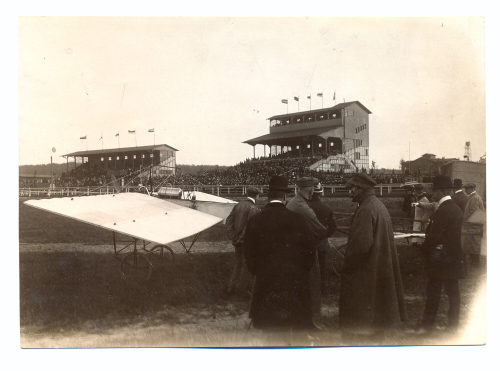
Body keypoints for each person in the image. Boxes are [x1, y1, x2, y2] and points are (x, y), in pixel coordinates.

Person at [340, 173, 407, 341]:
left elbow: (361, 246)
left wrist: (347, 263)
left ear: (360, 189)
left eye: (352, 189)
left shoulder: (365, 209)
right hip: (378, 267)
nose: (350, 193)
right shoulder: (378, 205)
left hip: (366, 271)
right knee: (378, 309)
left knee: (362, 317)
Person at [243, 176, 316, 330]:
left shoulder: (256, 220)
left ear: (268, 196)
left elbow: (248, 253)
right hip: (294, 282)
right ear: (284, 196)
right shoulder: (298, 219)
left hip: (266, 280)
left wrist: (258, 271)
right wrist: (301, 271)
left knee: (269, 330)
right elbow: (310, 251)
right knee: (292, 329)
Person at [417, 175, 465, 333]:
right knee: (453, 293)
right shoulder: (455, 208)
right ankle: (453, 326)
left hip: (440, 260)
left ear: (441, 191)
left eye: (434, 190)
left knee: (434, 293)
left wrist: (423, 248)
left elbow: (434, 237)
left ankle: (427, 326)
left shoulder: (442, 211)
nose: (432, 193)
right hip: (453, 258)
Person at [286, 176, 328, 323]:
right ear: (309, 190)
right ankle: (312, 321)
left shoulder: (293, 202)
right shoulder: (302, 206)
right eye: (311, 189)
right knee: (312, 285)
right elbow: (320, 230)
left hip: (293, 251)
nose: (312, 192)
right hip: (306, 252)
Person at [225, 186, 261, 295]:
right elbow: (248, 227)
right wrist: (240, 239)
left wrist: (233, 237)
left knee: (238, 264)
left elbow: (228, 223)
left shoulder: (238, 205)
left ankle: (231, 288)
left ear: (247, 194)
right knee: (247, 266)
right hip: (246, 242)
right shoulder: (254, 208)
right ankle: (243, 290)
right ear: (257, 196)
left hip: (237, 241)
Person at [308, 180, 337, 294]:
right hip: (322, 242)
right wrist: (325, 235)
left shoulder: (304, 207)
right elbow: (333, 227)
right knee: (322, 265)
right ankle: (323, 289)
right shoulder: (327, 208)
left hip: (307, 242)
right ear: (320, 193)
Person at [462, 183, 485, 268]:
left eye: (467, 189)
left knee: (474, 248)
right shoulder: (473, 197)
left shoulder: (474, 198)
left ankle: (475, 266)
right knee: (473, 248)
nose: (465, 190)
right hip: (473, 228)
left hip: (474, 228)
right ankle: (474, 265)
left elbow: (474, 213)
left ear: (472, 189)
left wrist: (464, 219)